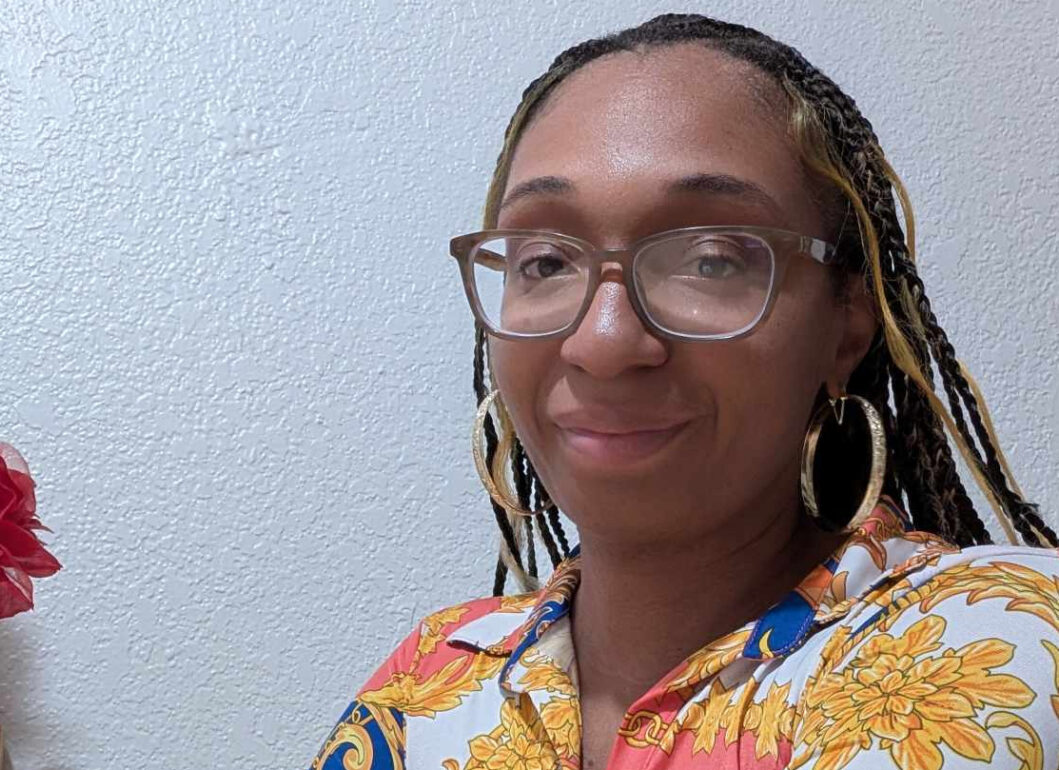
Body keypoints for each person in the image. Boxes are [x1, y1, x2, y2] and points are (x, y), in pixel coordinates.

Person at [309, 13, 1059, 770]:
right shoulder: (427, 684)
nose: (601, 342)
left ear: (845, 328)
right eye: (542, 261)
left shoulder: (1001, 636)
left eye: (709, 259)